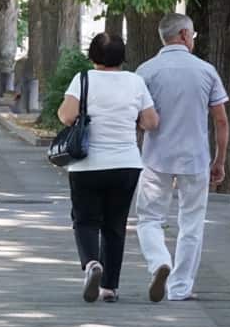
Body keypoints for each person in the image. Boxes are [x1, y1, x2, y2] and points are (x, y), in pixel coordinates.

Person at [134, 12, 230, 303]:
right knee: (191, 223)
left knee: (149, 219)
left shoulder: (146, 71)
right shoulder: (206, 71)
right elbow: (221, 121)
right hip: (195, 159)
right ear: (185, 35)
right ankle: (180, 288)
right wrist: (220, 160)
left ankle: (159, 261)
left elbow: (139, 118)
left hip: (155, 157)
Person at [57, 32, 159, 302]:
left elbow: (67, 116)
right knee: (115, 225)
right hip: (126, 164)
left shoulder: (83, 80)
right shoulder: (135, 82)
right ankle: (109, 287)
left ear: (92, 56)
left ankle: (92, 264)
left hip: (87, 165)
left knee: (85, 220)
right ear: (122, 57)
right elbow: (151, 121)